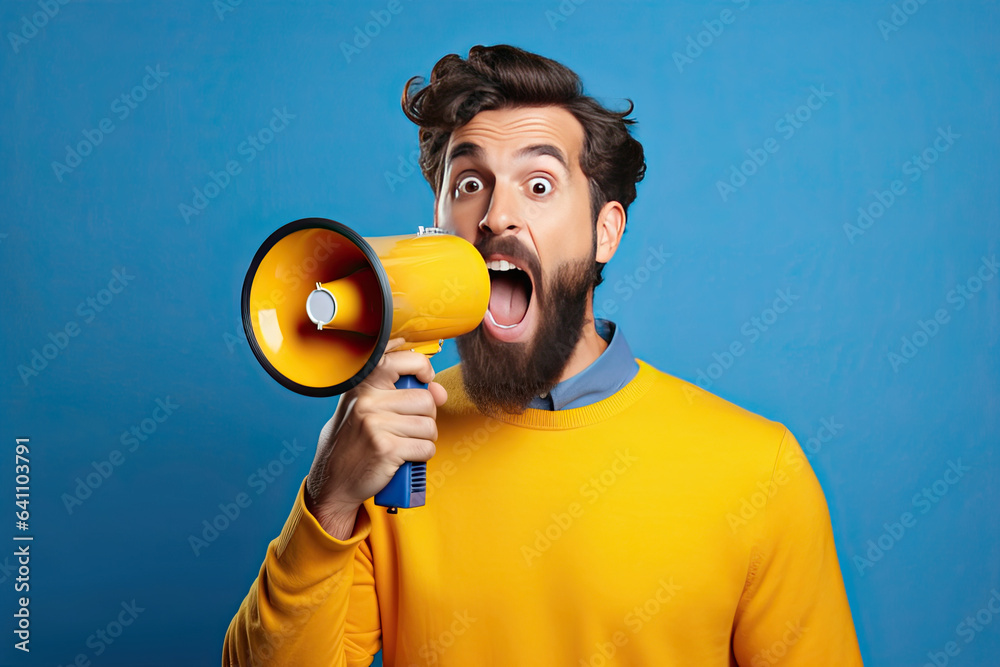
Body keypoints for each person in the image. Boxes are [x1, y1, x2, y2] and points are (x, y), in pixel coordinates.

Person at [223, 44, 864, 666]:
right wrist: (330, 498)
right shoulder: (383, 453)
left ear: (604, 231)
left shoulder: (760, 471)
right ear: (438, 225)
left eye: (538, 183)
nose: (498, 214)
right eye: (470, 182)